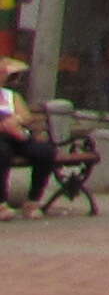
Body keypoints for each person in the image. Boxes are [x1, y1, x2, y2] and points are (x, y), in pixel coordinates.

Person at [0, 56, 60, 215]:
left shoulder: (11, 96)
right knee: (2, 153)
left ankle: (33, 201)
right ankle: (1, 203)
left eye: (3, 73)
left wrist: (16, 120)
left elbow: (27, 117)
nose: (2, 76)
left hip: (17, 136)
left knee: (45, 152)